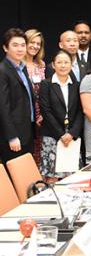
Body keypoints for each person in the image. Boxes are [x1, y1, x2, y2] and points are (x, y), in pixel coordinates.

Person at [38, 50, 83, 181]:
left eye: (66, 62)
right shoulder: (46, 84)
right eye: (59, 62)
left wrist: (72, 133)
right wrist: (60, 134)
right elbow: (46, 111)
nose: (63, 65)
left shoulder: (76, 85)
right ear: (53, 65)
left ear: (71, 64)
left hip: (71, 137)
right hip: (53, 136)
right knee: (52, 178)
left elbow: (80, 111)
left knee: (72, 178)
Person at [0, 28, 36, 162]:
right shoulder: (3, 71)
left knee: (27, 177)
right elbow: (3, 107)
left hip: (27, 130)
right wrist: (12, 136)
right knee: (16, 176)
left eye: (22, 45)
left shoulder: (23, 67)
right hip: (14, 135)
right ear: (5, 48)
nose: (20, 49)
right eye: (15, 45)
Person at [24, 29, 46, 167]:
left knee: (40, 152)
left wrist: (43, 114)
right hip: (26, 116)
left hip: (41, 116)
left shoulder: (41, 65)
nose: (35, 46)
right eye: (32, 42)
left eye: (38, 43)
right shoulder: (18, 66)